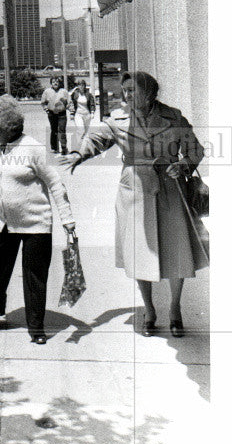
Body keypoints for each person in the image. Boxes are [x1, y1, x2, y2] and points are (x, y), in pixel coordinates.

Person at [62, 71, 207, 337]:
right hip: (134, 191)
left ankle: (175, 309)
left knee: (177, 251)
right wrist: (78, 154)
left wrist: (183, 165)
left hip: (169, 188)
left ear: (150, 93)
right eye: (125, 90)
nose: (127, 95)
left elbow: (195, 150)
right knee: (140, 253)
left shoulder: (173, 118)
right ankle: (149, 310)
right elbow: (95, 139)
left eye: (133, 90)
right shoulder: (117, 120)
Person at [0, 95, 76, 344]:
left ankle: (36, 327)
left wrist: (67, 220)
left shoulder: (33, 149)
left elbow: (55, 183)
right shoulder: (2, 148)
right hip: (1, 222)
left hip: (34, 224)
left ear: (9, 125)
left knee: (34, 277)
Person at [41, 76, 70, 154]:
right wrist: (46, 109)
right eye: (53, 82)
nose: (55, 83)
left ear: (59, 83)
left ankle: (64, 148)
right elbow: (43, 102)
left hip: (62, 114)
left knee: (62, 130)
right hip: (52, 114)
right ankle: (54, 148)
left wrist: (71, 111)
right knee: (54, 130)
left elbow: (69, 102)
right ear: (51, 83)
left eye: (57, 81)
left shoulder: (64, 91)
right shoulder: (47, 91)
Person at [70, 79, 95, 144]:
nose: (81, 86)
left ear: (85, 86)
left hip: (87, 114)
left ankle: (85, 145)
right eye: (80, 85)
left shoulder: (88, 94)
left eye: (83, 85)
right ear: (78, 86)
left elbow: (92, 104)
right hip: (78, 114)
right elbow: (71, 103)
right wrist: (72, 113)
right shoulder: (75, 94)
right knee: (80, 129)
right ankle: (78, 143)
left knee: (86, 132)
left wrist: (92, 112)